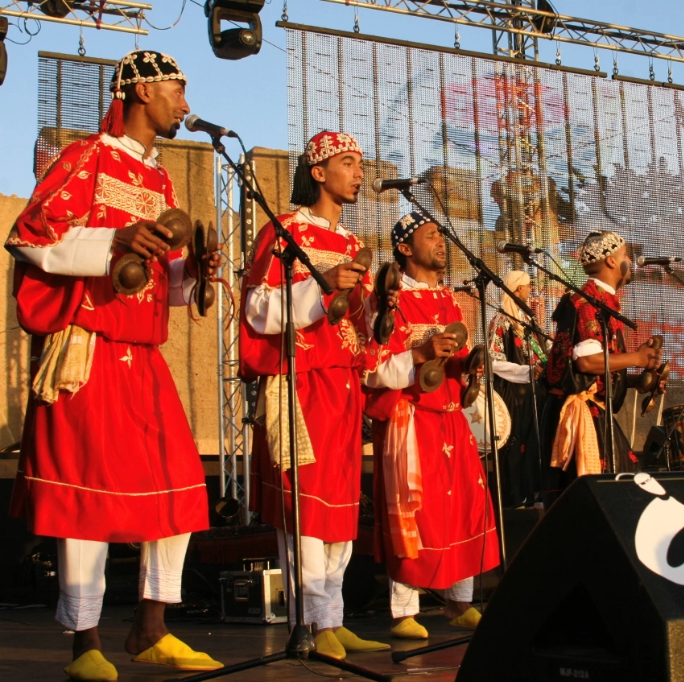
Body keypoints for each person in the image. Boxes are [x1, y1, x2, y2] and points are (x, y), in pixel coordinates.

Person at [5, 50, 222, 681]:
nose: (185, 105)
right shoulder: (85, 158)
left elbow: (161, 282)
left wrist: (190, 274)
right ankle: (85, 642)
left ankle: (152, 627)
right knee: (88, 497)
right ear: (140, 89)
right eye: (177, 92)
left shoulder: (161, 182)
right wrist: (115, 240)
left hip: (144, 353)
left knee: (180, 485)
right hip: (90, 347)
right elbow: (30, 236)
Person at [240, 131, 388, 659]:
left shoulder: (351, 243)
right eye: (348, 162)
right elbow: (258, 307)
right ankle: (308, 619)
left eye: (360, 163)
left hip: (343, 380)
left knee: (341, 506)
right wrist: (321, 285)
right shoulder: (285, 229)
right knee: (306, 503)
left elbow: (361, 323)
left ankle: (332, 616)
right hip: (302, 376)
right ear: (319, 171)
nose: (358, 172)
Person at [363, 212, 500, 640]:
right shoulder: (387, 299)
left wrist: (470, 367)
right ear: (405, 248)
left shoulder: (450, 300)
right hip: (410, 420)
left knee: (462, 506)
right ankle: (405, 610)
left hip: (450, 418)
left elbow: (452, 366)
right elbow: (373, 370)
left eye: (442, 234)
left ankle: (460, 603)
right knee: (412, 511)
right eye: (431, 235)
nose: (441, 242)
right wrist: (421, 353)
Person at [542, 230, 662, 503]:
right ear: (610, 261)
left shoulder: (600, 299)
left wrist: (637, 380)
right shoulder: (587, 302)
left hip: (590, 407)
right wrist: (637, 358)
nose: (630, 261)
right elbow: (586, 362)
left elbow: (596, 365)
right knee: (609, 492)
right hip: (580, 412)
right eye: (626, 255)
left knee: (616, 487)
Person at [487, 270, 548, 508]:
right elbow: (493, 360)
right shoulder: (501, 321)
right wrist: (525, 373)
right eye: (526, 286)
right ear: (517, 290)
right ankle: (515, 500)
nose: (530, 290)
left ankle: (536, 493)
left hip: (537, 394)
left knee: (536, 443)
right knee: (515, 446)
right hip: (513, 396)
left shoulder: (529, 321)